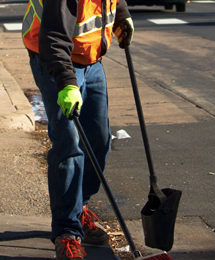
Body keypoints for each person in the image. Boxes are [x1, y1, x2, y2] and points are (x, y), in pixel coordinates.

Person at [22, 0, 134, 259]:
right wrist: (67, 83)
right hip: (54, 57)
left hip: (91, 58)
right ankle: (67, 232)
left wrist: (122, 16)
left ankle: (79, 206)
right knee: (69, 143)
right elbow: (53, 39)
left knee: (99, 139)